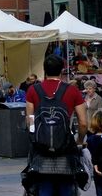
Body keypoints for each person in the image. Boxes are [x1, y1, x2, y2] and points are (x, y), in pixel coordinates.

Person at [25, 55, 87, 196]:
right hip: (65, 149)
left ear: (44, 70)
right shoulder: (72, 91)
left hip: (41, 151)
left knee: (44, 186)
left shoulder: (33, 90)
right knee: (66, 186)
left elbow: (30, 121)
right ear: (62, 70)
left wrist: (36, 137)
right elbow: (83, 123)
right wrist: (79, 141)